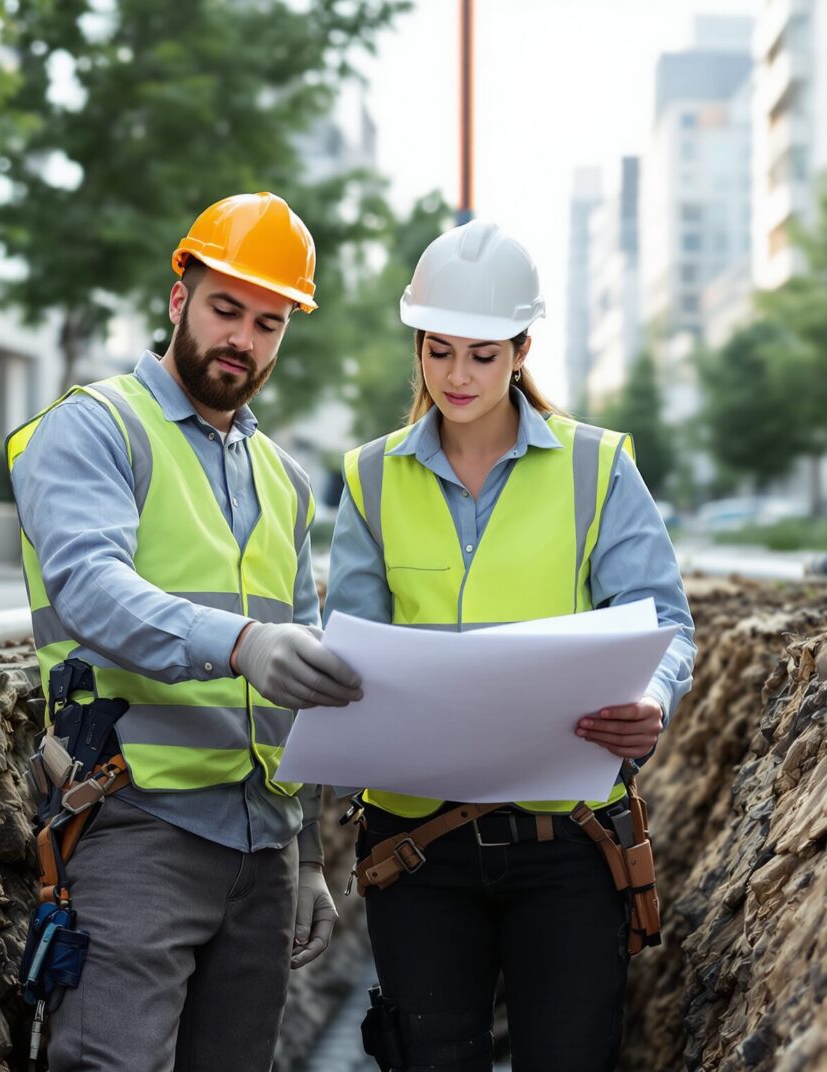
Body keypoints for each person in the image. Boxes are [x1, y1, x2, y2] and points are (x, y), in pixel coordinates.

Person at [325, 219, 696, 1071]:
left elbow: (664, 622)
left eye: (484, 355)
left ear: (523, 349)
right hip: (416, 850)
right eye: (440, 350)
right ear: (417, 345)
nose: (458, 375)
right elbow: (352, 654)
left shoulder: (597, 467)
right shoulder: (371, 478)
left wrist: (654, 698)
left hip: (567, 846)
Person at [6, 191, 364, 1072]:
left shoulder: (282, 480)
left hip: (263, 850)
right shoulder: (95, 429)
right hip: (137, 830)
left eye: (269, 322)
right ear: (179, 300)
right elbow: (90, 588)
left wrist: (310, 852)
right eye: (225, 309)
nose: (243, 338)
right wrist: (241, 643)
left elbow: (302, 687)